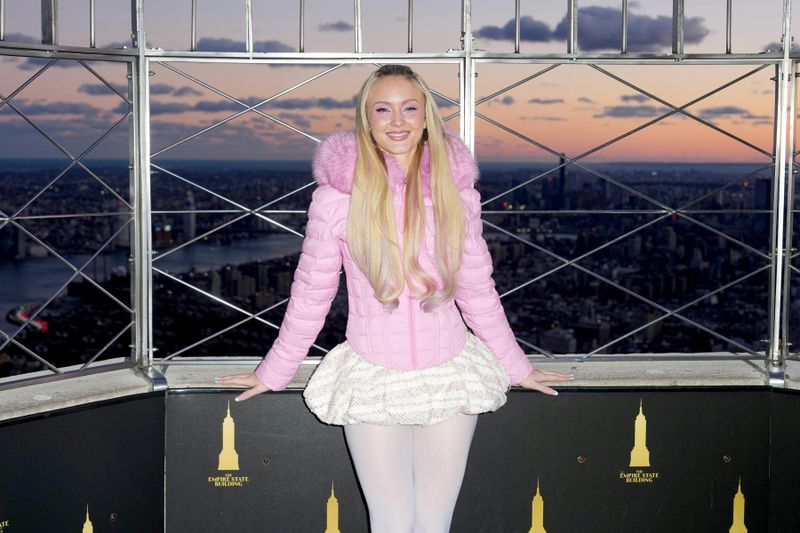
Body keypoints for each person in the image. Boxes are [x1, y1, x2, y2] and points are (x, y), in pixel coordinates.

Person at [218, 64, 573, 533]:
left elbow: (477, 288)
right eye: (382, 109)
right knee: (390, 521)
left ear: (427, 116)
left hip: (449, 373)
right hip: (373, 375)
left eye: (409, 107)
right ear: (366, 120)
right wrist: (275, 370)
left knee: (435, 523)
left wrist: (518, 367)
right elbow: (311, 292)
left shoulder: (457, 193)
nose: (398, 120)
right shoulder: (337, 198)